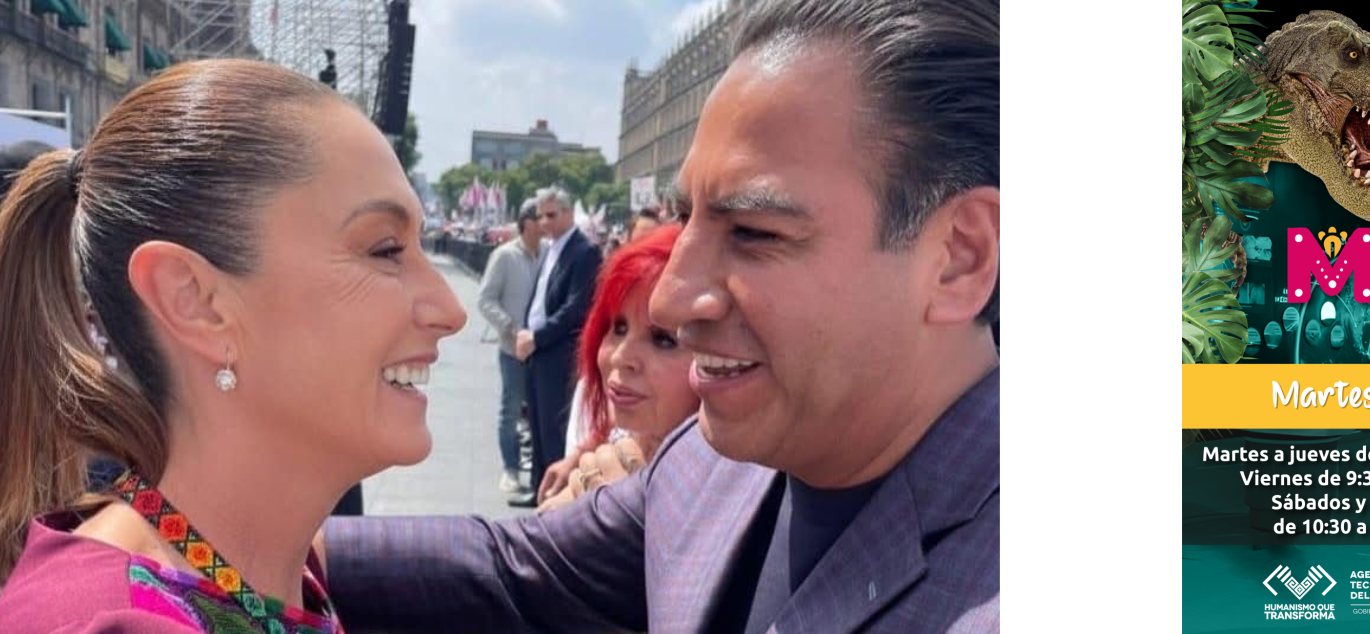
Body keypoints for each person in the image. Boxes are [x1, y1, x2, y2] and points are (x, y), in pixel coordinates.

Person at [321, 0, 999, 631]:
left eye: (754, 232)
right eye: (686, 217)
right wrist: (263, 558)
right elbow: (514, 571)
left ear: (959, 259)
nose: (672, 298)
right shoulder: (709, 460)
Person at [0, 59, 467, 631]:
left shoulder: (241, 568)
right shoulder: (104, 621)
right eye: (386, 250)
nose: (451, 310)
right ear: (195, 301)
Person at [536, 226, 694, 510]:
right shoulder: (637, 421)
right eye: (619, 328)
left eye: (663, 340)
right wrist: (578, 457)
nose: (621, 356)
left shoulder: (727, 499)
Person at [512, 187, 603, 506]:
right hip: (536, 350)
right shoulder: (549, 249)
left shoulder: (584, 251)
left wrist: (537, 337)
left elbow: (576, 308)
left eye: (551, 215)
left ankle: (556, 498)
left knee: (553, 428)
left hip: (558, 353)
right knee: (535, 424)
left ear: (568, 213)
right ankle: (538, 489)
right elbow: (541, 299)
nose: (544, 222)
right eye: (540, 216)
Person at [477, 207, 543, 494]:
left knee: (540, 411)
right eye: (541, 218)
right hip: (512, 348)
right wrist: (510, 327)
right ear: (527, 223)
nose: (546, 223)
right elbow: (485, 299)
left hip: (543, 347)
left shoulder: (548, 253)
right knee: (512, 410)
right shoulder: (505, 256)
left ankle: (539, 469)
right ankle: (511, 469)